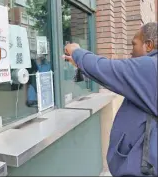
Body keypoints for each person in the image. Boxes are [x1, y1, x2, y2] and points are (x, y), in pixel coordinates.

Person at [63, 22, 157, 176]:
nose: (131, 52)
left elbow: (107, 68)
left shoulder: (151, 67)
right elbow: (112, 78)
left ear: (148, 45)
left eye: (134, 44)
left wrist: (77, 52)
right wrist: (82, 64)